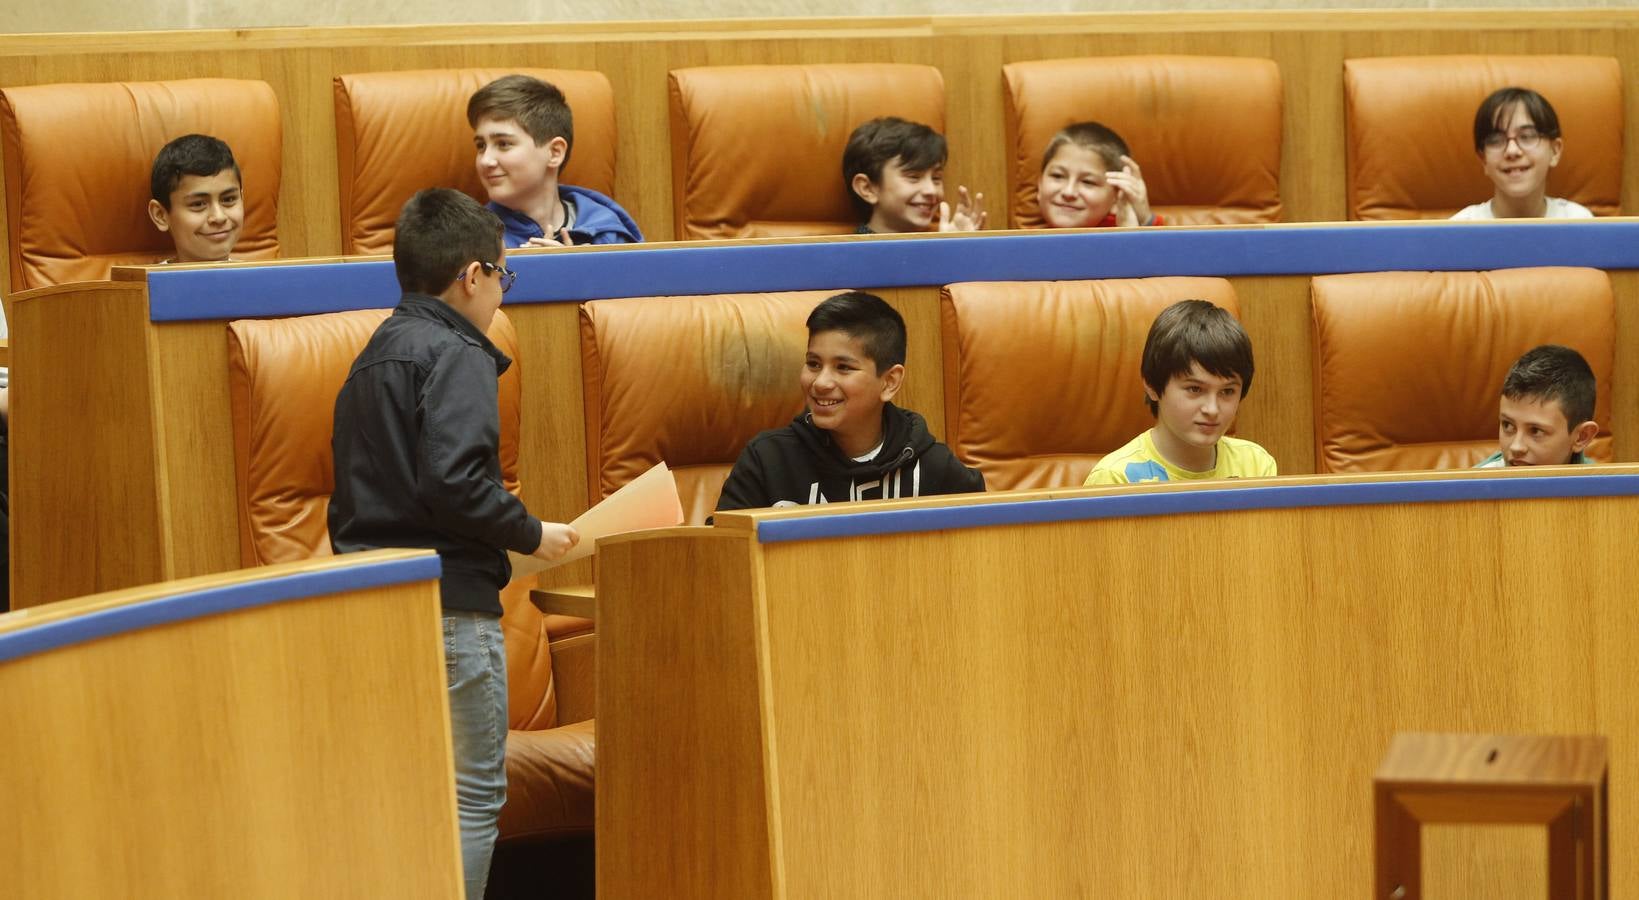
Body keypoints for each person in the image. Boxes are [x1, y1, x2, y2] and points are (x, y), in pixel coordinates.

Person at [328, 188, 579, 898]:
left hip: (376, 606)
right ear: (473, 275)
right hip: (450, 611)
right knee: (470, 796)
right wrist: (534, 533)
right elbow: (457, 483)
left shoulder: (373, 355)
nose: (502, 291)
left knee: (405, 797)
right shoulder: (460, 351)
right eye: (504, 274)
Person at [715, 291, 984, 510]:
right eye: (813, 363)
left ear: (889, 382)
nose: (820, 382)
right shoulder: (767, 460)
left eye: (843, 367)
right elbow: (723, 554)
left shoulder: (934, 467)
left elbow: (983, 548)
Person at [1085, 299, 1275, 485]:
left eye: (1227, 391)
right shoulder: (1115, 479)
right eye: (1195, 389)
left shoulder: (1255, 466)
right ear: (1152, 385)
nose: (1212, 409)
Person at [468, 74, 643, 247]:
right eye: (481, 145)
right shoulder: (469, 243)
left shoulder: (608, 235)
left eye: (503, 144)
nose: (486, 161)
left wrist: (577, 272)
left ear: (554, 152)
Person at [1451, 87, 1593, 221]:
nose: (1512, 151)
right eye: (1496, 140)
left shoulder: (1580, 222)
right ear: (1483, 160)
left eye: (1527, 136)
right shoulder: (1458, 228)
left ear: (1555, 151)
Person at [842, 116, 986, 235]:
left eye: (936, 178)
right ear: (867, 188)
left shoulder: (937, 244)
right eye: (913, 177)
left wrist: (961, 252)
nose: (931, 191)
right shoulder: (849, 257)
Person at [1476, 344, 1599, 467]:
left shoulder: (1605, 485)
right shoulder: (1474, 483)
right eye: (1507, 425)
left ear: (1581, 437)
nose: (1516, 447)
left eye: (1536, 431)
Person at [1036, 121, 1163, 228]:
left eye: (1088, 182)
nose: (1069, 192)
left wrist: (1143, 223)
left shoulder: (1125, 231)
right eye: (1057, 176)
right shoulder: (1022, 243)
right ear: (1040, 184)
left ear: (1117, 196)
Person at [146, 134, 244, 263]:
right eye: (198, 204)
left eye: (228, 199)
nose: (219, 217)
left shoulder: (262, 280)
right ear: (161, 215)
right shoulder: (147, 283)